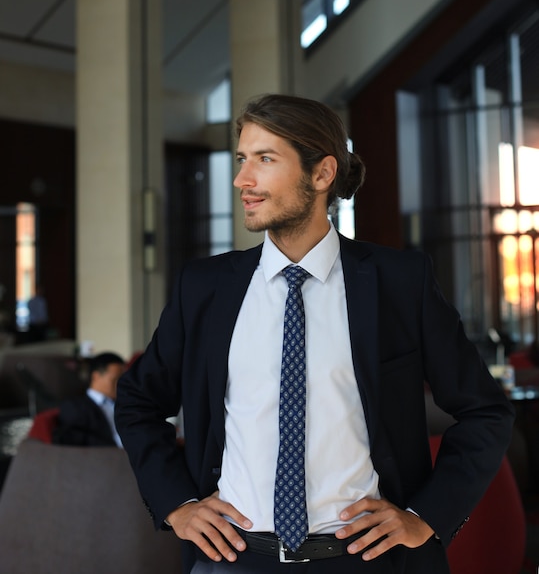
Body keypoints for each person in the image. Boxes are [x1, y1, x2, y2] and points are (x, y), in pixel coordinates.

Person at [115, 94, 514, 574]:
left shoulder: (400, 282)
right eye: (242, 159)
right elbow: (138, 401)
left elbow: (485, 410)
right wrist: (177, 504)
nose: (242, 179)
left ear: (322, 174)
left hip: (369, 562)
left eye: (265, 159)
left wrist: (425, 516)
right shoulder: (203, 287)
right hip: (234, 561)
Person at [54, 351, 125, 447]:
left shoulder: (125, 403)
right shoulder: (76, 407)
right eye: (115, 379)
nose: (121, 384)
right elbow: (74, 440)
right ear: (96, 376)